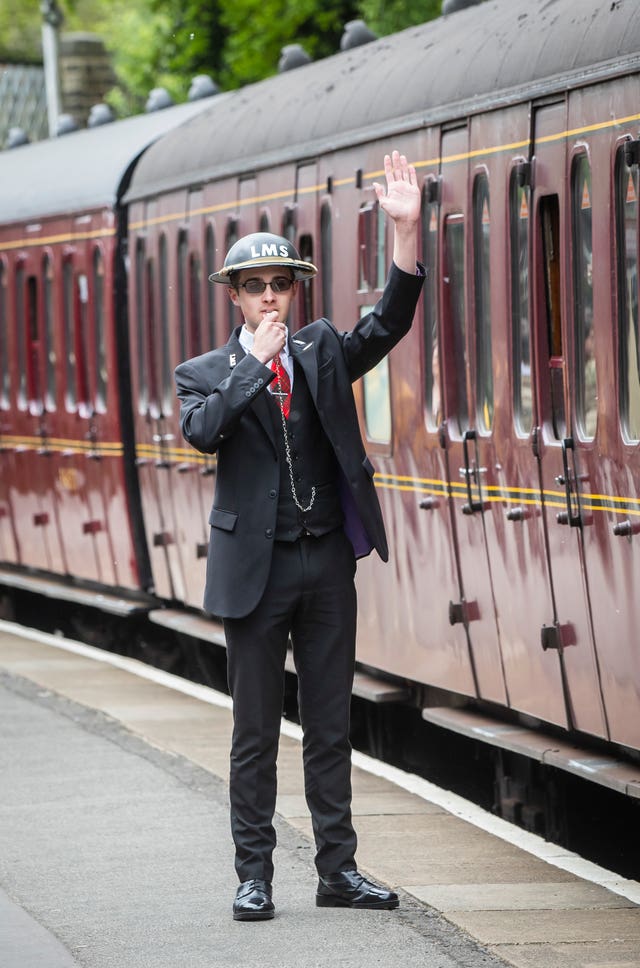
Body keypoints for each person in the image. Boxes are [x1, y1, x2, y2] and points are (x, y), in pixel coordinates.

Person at [175, 149, 423, 921]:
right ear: (236, 301)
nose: (272, 299)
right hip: (255, 571)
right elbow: (202, 435)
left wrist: (406, 237)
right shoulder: (205, 371)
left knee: (330, 725)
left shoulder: (319, 350)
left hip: (325, 563)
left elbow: (388, 324)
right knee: (253, 734)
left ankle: (337, 872)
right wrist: (251, 366)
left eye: (282, 285)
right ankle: (254, 876)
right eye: (256, 289)